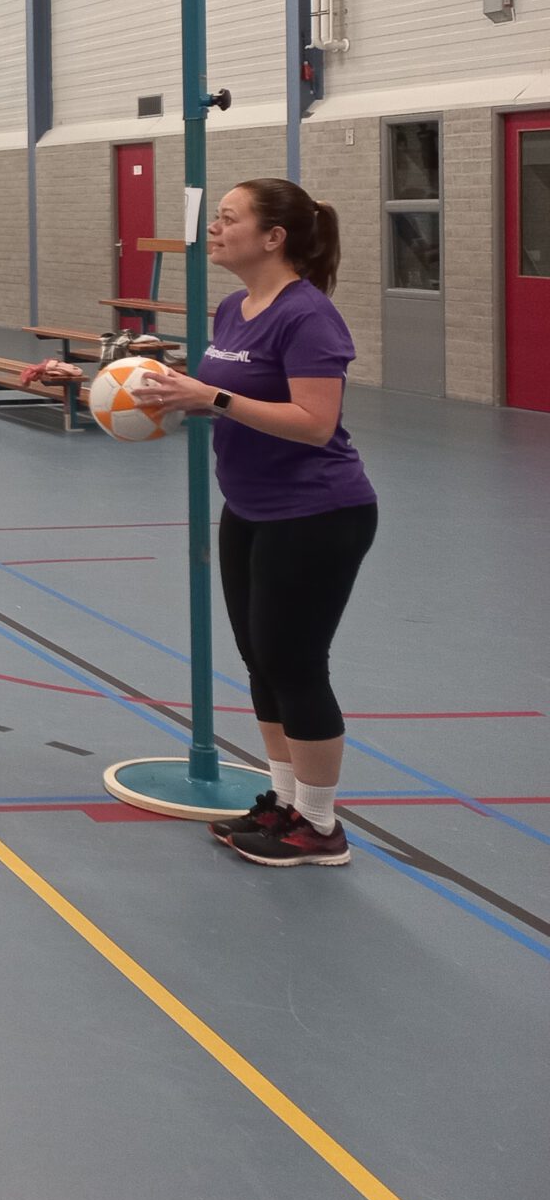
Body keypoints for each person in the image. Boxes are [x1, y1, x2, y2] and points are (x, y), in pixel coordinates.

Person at [132, 180, 378, 869]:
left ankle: (321, 827)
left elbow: (315, 423)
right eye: (215, 218)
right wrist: (172, 396)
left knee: (297, 665)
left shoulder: (308, 315)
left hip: (318, 513)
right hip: (248, 509)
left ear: (274, 237)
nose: (215, 228)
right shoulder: (233, 308)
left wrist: (210, 395)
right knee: (263, 663)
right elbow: (231, 396)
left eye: (228, 218)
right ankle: (284, 805)